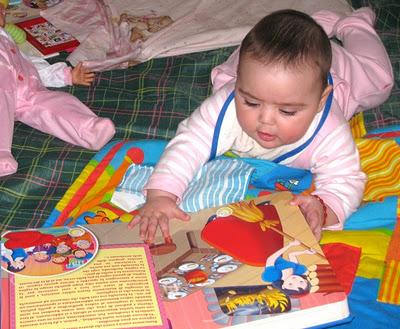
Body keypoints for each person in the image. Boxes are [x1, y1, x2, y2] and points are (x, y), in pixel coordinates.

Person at [129, 8, 394, 242]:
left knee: (380, 82)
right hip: (262, 70)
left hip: (344, 70)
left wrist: (325, 209)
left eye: (287, 111)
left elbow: (345, 179)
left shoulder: (330, 129)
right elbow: (189, 143)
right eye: (252, 103)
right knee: (253, 62)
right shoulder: (227, 104)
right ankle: (308, 28)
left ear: (320, 101)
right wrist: (161, 195)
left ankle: (354, 25)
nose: (265, 120)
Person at [0, 0, 115, 177]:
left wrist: (65, 75)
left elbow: (31, 63)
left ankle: (88, 129)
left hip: (27, 92)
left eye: (2, 10)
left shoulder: (6, 37)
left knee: (57, 102)